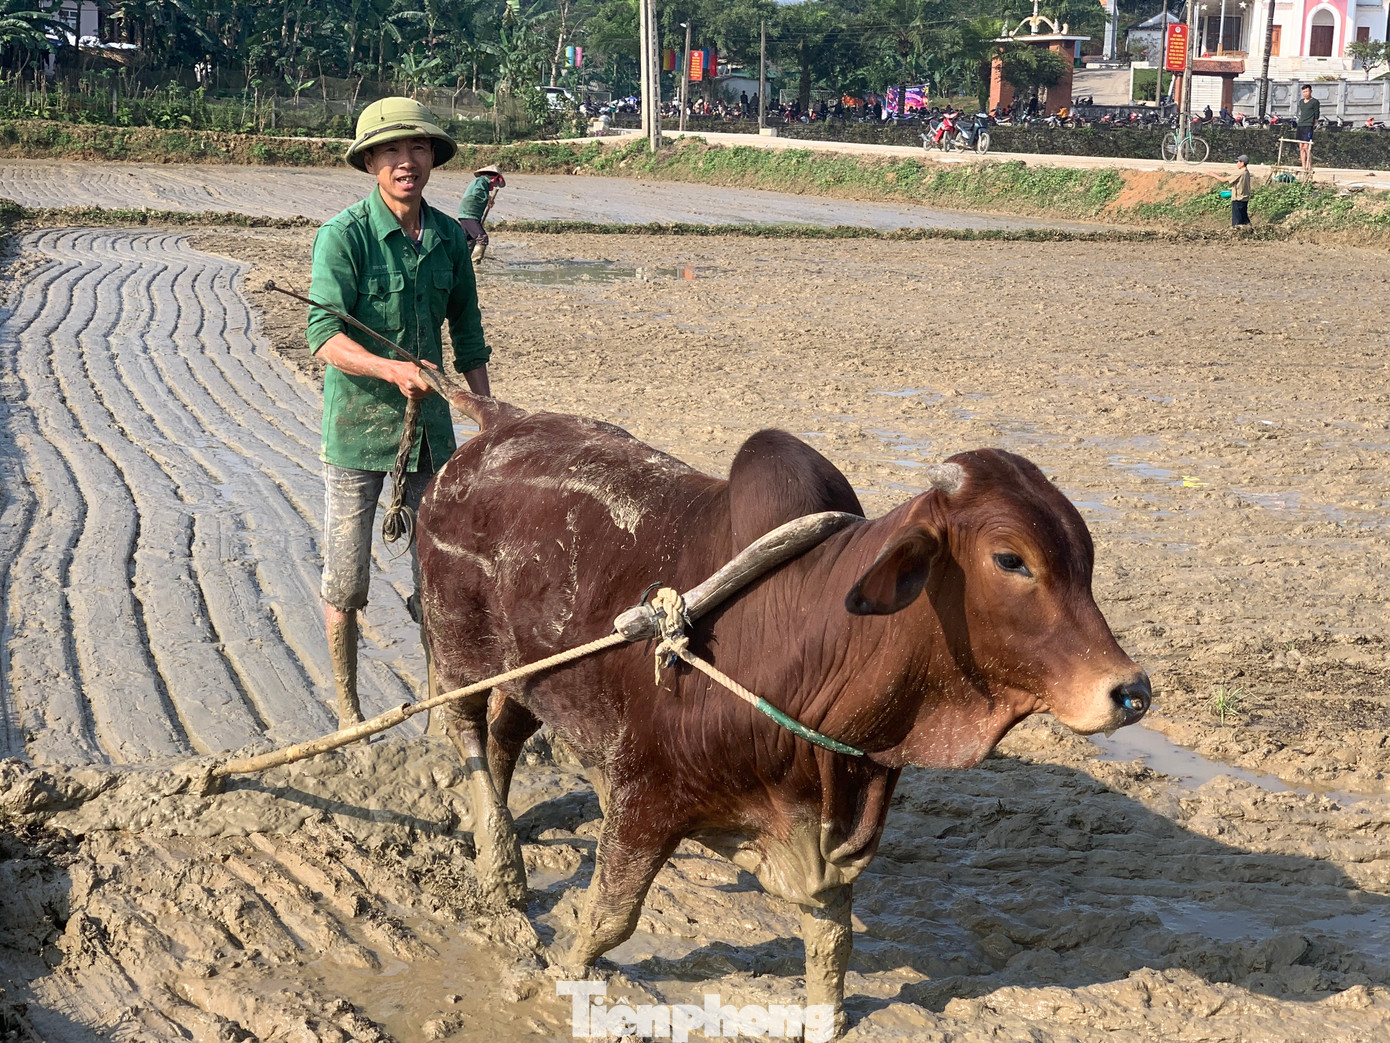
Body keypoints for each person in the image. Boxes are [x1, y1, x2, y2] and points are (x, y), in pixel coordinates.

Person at [305, 97, 491, 729]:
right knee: (346, 581)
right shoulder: (344, 236)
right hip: (355, 431)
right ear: (370, 163)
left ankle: (445, 714)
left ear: (432, 158)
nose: (405, 161)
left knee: (438, 581)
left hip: (431, 436)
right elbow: (323, 336)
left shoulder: (448, 239)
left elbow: (468, 334)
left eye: (417, 148)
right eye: (391, 151)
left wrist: (486, 413)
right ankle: (348, 711)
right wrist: (391, 369)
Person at [457, 164, 505, 264]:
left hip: (470, 215)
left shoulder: (484, 184)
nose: (495, 186)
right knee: (482, 238)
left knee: (469, 241)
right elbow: (477, 193)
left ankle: (464, 263)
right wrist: (488, 199)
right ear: (494, 178)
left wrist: (488, 200)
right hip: (469, 214)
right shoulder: (480, 181)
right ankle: (475, 262)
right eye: (496, 183)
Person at [1296, 84, 1319, 174]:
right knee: (1301, 147)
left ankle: (1310, 166)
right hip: (1300, 125)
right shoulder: (1301, 102)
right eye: (1304, 92)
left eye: (1307, 91)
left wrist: (1312, 124)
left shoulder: (1315, 102)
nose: (1305, 93)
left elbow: (1316, 115)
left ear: (1310, 91)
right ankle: (1303, 165)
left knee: (1306, 147)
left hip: (1308, 125)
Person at [1225, 154, 1251, 229]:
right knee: (1244, 219)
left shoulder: (1240, 172)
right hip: (1244, 199)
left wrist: (1213, 174)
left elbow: (1224, 180)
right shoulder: (1246, 172)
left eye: (1238, 162)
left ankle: (1237, 233)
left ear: (1242, 163)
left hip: (1238, 199)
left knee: (1237, 223)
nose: (1237, 163)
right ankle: (1250, 230)